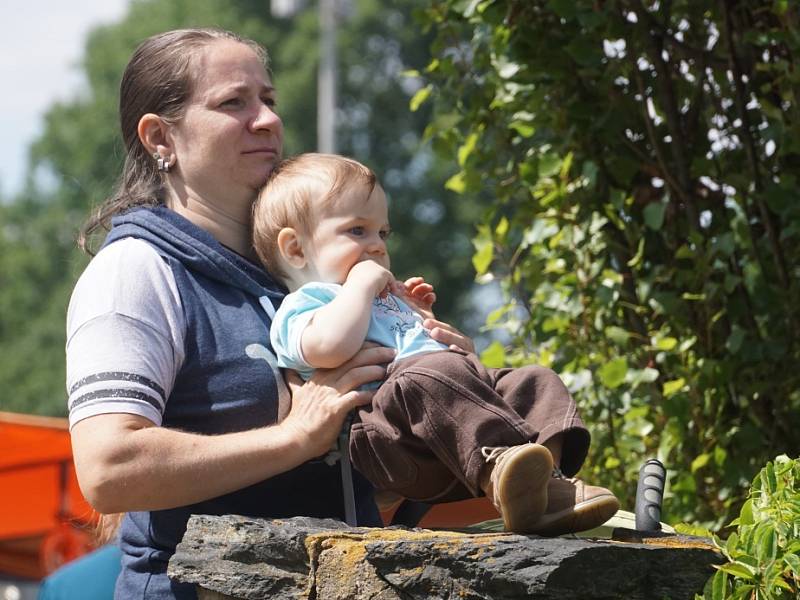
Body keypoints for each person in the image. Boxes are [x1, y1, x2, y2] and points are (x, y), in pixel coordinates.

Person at [65, 29, 472, 600]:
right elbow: (108, 470)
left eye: (269, 100)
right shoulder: (136, 270)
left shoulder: (307, 278)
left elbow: (365, 491)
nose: (267, 120)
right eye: (234, 102)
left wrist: (439, 378)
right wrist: (293, 439)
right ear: (160, 137)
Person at [252, 153, 620, 536]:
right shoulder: (305, 304)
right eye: (358, 231)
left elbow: (438, 362)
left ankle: (544, 489)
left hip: (443, 429)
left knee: (533, 380)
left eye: (383, 233)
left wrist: (423, 322)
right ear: (295, 249)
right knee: (427, 375)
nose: (377, 246)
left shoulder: (381, 299)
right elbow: (328, 347)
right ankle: (502, 466)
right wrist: (361, 287)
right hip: (389, 438)